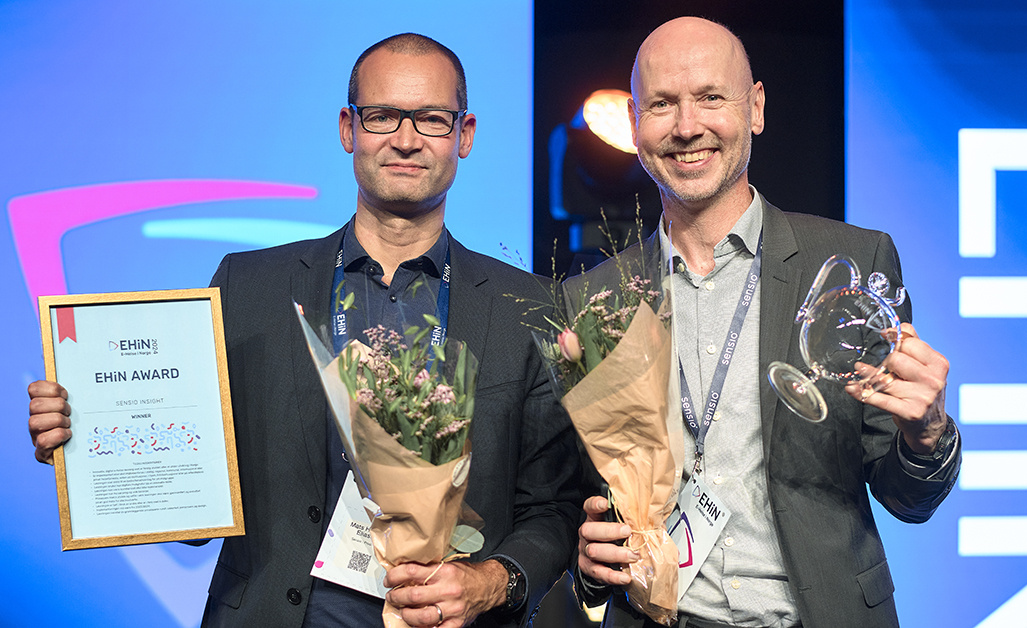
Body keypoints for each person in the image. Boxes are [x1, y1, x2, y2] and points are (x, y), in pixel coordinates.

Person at [28, 33, 581, 628]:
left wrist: (490, 581)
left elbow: (552, 508)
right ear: (348, 129)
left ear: (464, 135)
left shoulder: (527, 306)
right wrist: (87, 440)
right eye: (381, 116)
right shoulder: (248, 286)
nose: (405, 137)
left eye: (431, 119)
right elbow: (198, 502)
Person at [569, 17, 961, 628]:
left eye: (710, 98)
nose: (687, 126)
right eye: (662, 104)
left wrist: (928, 433)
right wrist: (586, 550)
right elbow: (571, 506)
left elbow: (910, 499)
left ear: (755, 107)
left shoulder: (853, 263)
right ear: (634, 122)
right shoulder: (592, 301)